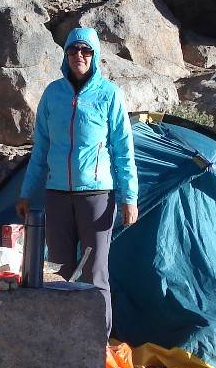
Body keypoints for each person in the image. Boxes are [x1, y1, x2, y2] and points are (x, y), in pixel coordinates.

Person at [16, 28, 138, 337]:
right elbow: (40, 149)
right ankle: (63, 340)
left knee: (95, 274)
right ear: (65, 55)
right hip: (56, 194)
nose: (79, 56)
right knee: (59, 270)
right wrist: (26, 193)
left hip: (96, 195)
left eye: (85, 51)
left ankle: (98, 343)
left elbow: (122, 148)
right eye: (73, 51)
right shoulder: (53, 93)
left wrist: (129, 196)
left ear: (95, 55)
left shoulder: (109, 94)